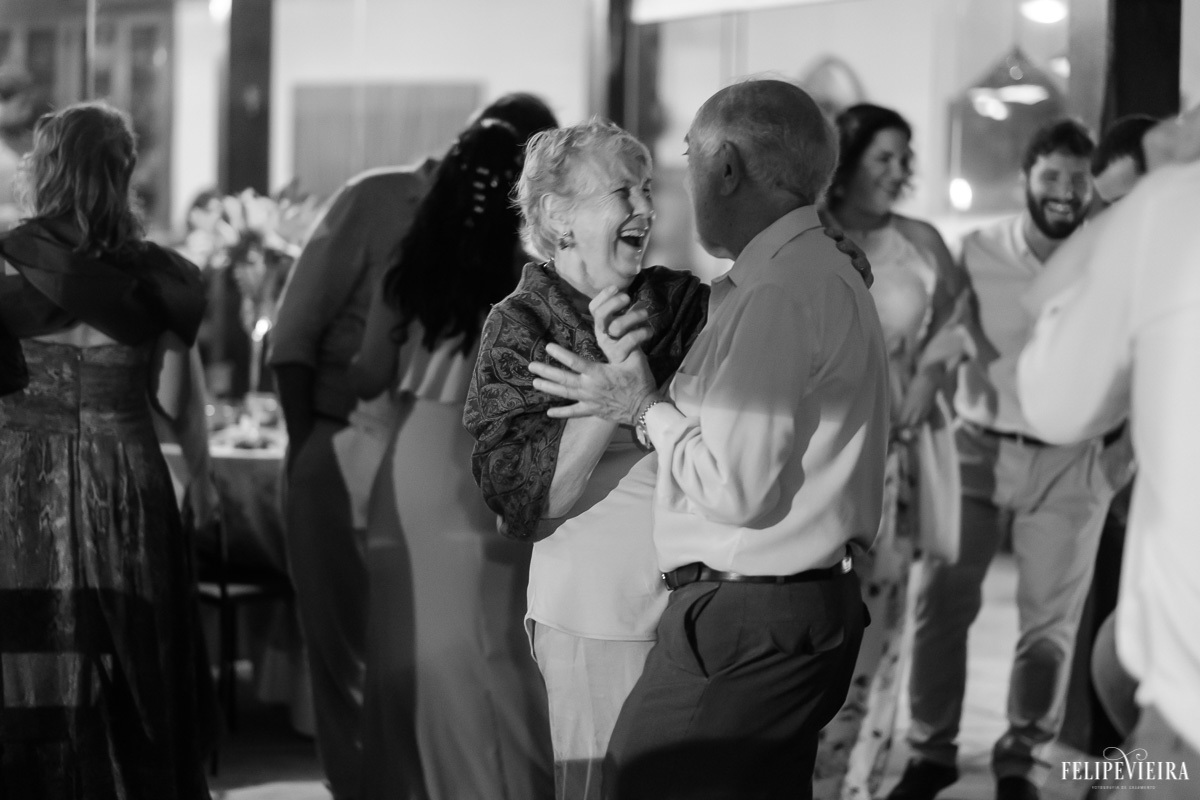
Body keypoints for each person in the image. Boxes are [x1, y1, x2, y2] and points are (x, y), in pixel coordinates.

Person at [528, 78, 889, 800]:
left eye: (682, 159)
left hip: (750, 620)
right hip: (780, 608)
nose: (661, 194)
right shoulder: (784, 278)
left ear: (727, 168)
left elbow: (737, 488)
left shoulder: (779, 292)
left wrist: (641, 407)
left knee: (640, 782)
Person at [268, 93, 555, 800]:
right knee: (486, 645)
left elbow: (368, 370)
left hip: (413, 454)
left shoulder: (414, 269)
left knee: (398, 650)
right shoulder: (531, 277)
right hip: (490, 466)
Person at [463, 118, 709, 800]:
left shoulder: (680, 301)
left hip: (700, 606)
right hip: (597, 615)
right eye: (622, 191)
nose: (645, 208)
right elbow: (528, 504)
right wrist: (613, 394)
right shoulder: (521, 326)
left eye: (647, 189)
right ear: (557, 216)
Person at [886, 119, 1115, 800]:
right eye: (1052, 177)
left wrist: (1123, 453)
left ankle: (1023, 759)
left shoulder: (1110, 259)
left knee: (1049, 623)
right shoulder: (974, 251)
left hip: (1072, 460)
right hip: (976, 449)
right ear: (1027, 179)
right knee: (942, 605)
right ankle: (931, 751)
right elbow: (938, 333)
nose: (1066, 192)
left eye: (1079, 180)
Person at [0, 102, 215, 798]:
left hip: (18, 489)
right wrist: (203, 479)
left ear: (45, 171)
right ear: (125, 173)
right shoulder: (161, 280)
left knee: (31, 654)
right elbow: (179, 401)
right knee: (136, 655)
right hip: (124, 476)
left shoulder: (8, 266)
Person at [1016, 106, 1200, 800]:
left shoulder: (1171, 206)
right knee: (1111, 660)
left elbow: (1053, 399)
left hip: (1188, 703)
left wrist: (1140, 205)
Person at [815, 103, 971, 800]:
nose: (900, 171)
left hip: (894, 458)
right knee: (818, 617)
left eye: (906, 158)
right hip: (819, 459)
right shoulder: (811, 238)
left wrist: (929, 381)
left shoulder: (923, 243)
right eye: (884, 157)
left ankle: (861, 782)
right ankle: (809, 771)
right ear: (844, 164)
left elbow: (953, 330)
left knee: (883, 624)